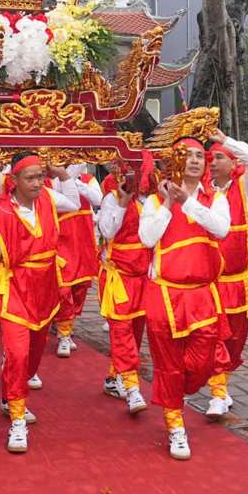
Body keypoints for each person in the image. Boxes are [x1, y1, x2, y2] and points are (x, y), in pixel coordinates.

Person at [0, 153, 81, 455]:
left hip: (45, 288)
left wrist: (62, 175)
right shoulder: (0, 215)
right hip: (15, 291)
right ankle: (18, 419)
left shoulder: (48, 198)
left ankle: (10, 394)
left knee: (33, 356)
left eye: (40, 176)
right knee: (18, 354)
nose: (37, 183)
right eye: (30, 178)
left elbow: (72, 204)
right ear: (14, 181)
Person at [138, 137, 231, 460]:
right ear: (175, 162)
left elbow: (221, 229)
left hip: (203, 295)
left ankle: (180, 394)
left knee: (202, 364)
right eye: (187, 156)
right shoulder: (153, 202)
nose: (194, 161)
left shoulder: (215, 198)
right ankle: (176, 426)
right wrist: (167, 203)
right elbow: (147, 238)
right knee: (168, 367)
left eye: (199, 156)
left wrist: (187, 202)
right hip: (164, 294)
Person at [204, 128, 248, 420]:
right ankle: (217, 391)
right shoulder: (202, 193)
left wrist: (223, 139)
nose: (212, 162)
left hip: (239, 281)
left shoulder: (245, 189)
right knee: (215, 334)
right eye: (210, 158)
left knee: (235, 338)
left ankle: (223, 382)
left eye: (218, 157)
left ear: (232, 163)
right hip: (212, 281)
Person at [96, 165, 151, 415]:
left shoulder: (154, 200)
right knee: (122, 332)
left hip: (144, 278)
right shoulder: (112, 198)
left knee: (135, 333)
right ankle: (132, 387)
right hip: (118, 277)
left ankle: (113, 378)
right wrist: (122, 201)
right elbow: (107, 231)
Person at [52, 165, 102, 358]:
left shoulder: (88, 179)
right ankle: (63, 334)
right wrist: (65, 176)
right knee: (63, 288)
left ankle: (68, 327)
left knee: (80, 287)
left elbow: (97, 199)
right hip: (63, 240)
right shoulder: (51, 180)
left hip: (83, 239)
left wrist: (75, 180)